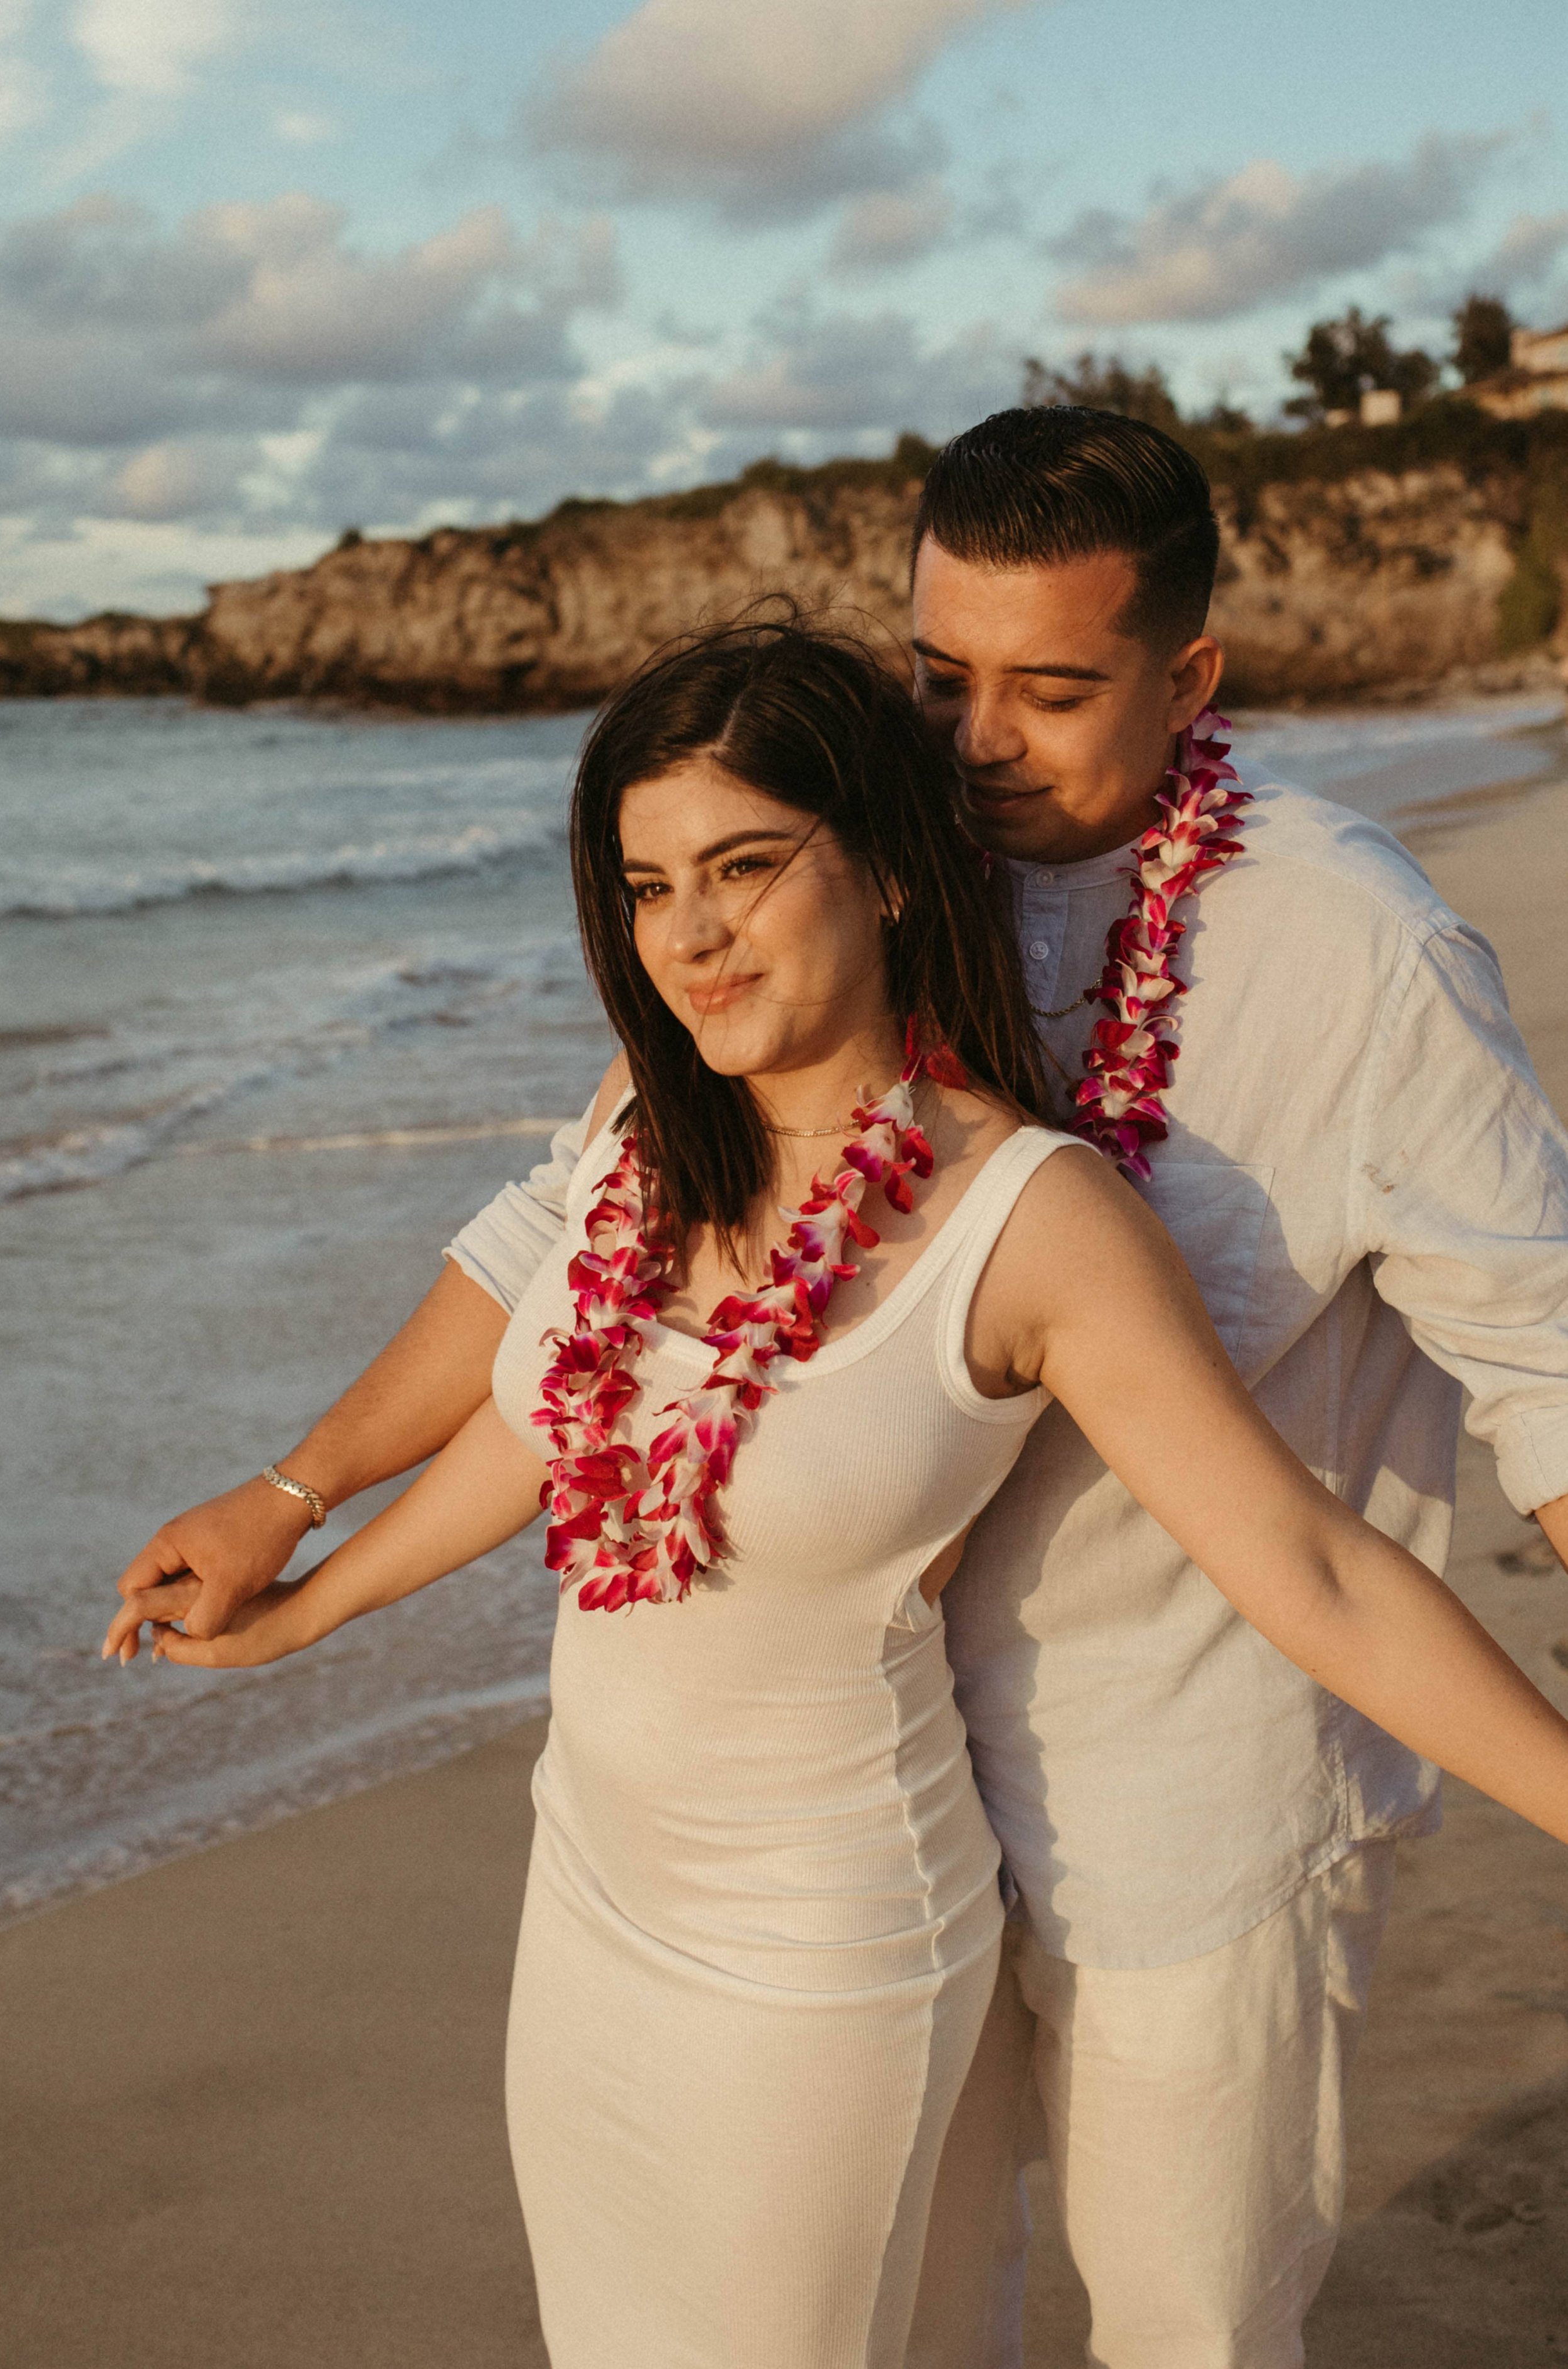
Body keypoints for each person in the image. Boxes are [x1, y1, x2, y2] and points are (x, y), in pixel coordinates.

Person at [112, 416, 1568, 2369]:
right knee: (913, 2315)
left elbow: (1512, 1392)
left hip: (1187, 1771)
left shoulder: (1354, 955)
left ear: (1188, 678)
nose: (975, 739)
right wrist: (294, 1500)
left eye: (1049, 691)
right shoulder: (813, 925)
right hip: (872, 1756)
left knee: (1184, 2323)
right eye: (935, 676)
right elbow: (558, 1278)